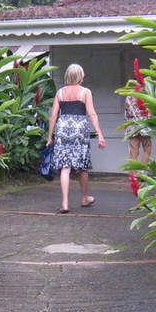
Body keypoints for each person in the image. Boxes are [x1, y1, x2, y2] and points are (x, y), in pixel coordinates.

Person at [46, 63, 106, 213]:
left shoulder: (60, 92)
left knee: (65, 167)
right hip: (79, 128)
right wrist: (99, 133)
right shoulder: (85, 92)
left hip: (63, 128)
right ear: (80, 76)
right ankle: (84, 198)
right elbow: (91, 113)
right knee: (82, 166)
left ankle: (65, 204)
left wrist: (49, 136)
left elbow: (53, 115)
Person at [123, 90, 152, 163]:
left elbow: (127, 113)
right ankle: (142, 171)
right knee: (147, 148)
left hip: (132, 125)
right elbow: (150, 112)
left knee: (133, 150)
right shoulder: (148, 95)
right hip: (145, 124)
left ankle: (133, 172)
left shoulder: (129, 97)